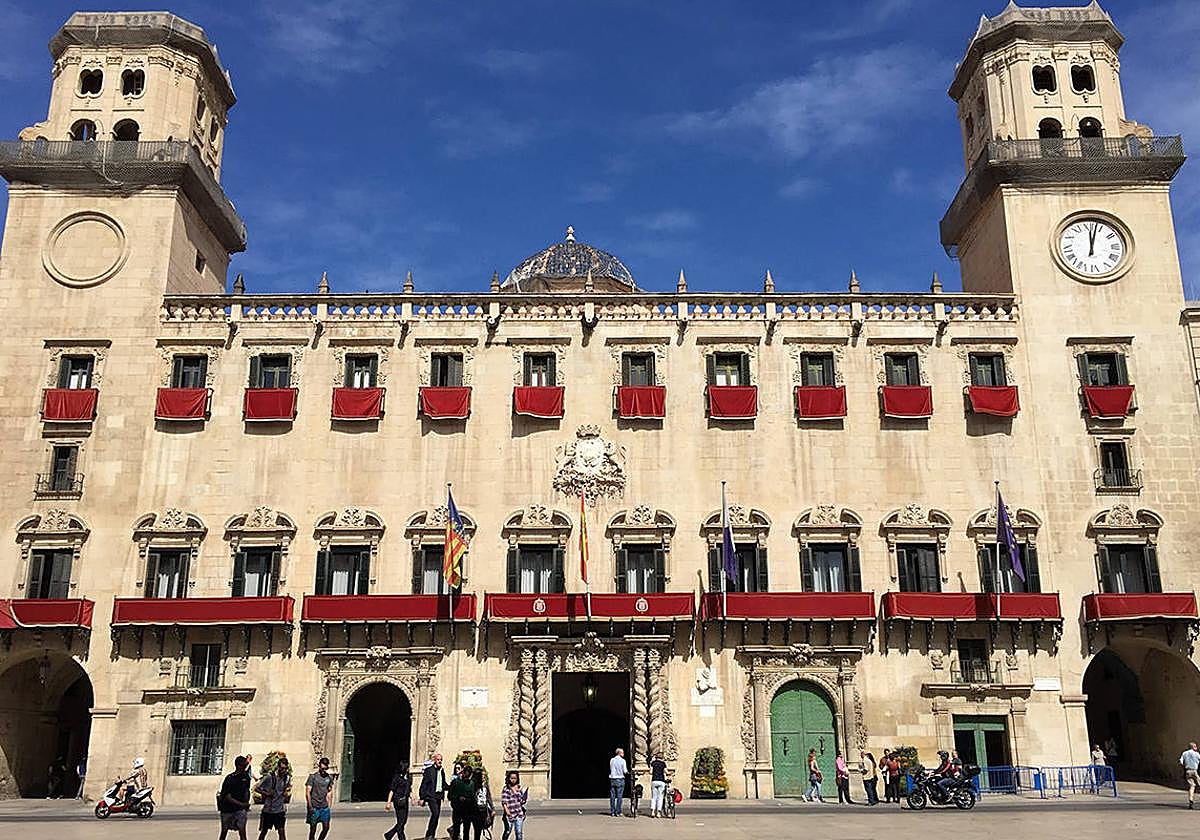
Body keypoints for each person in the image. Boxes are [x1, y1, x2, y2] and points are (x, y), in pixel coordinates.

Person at [219, 755, 253, 840]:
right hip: (228, 809)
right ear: (238, 765)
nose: (245, 767)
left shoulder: (245, 777)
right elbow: (227, 797)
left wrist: (246, 803)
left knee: (242, 831)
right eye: (243, 765)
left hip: (240, 810)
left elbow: (247, 790)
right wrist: (241, 804)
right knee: (224, 831)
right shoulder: (230, 778)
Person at [256, 756, 290, 840]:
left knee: (281, 832)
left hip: (279, 810)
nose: (283, 771)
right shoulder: (270, 777)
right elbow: (257, 788)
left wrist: (285, 793)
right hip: (269, 810)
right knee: (264, 831)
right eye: (282, 768)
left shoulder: (287, 778)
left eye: (285, 769)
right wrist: (267, 793)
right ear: (278, 767)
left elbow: (284, 790)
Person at [417, 753, 448, 840]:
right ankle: (429, 834)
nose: (440, 761)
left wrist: (452, 787)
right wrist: (422, 797)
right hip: (431, 796)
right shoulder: (429, 770)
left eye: (441, 760)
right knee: (435, 813)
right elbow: (424, 784)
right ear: (434, 760)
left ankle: (432, 835)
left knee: (436, 816)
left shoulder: (442, 771)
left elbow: (443, 784)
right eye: (438, 760)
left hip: (439, 796)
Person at [305, 757, 335, 840]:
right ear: (319, 766)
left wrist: (329, 806)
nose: (323, 770)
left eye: (325, 769)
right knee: (313, 828)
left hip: (324, 807)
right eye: (322, 768)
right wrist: (309, 805)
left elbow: (329, 791)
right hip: (314, 806)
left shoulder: (329, 778)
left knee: (326, 827)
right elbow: (308, 791)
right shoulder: (313, 777)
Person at [447, 763, 480, 840]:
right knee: (456, 830)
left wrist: (467, 799)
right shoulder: (455, 782)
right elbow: (450, 796)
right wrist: (458, 798)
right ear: (463, 772)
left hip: (467, 810)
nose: (466, 776)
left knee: (466, 830)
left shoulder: (471, 784)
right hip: (457, 809)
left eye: (468, 775)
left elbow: (472, 797)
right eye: (465, 773)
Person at [384, 760, 411, 840]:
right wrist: (388, 802)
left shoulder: (408, 777)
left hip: (405, 801)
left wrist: (412, 797)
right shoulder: (397, 777)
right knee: (401, 822)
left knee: (403, 821)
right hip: (398, 800)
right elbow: (392, 790)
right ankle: (401, 838)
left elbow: (409, 789)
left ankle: (389, 834)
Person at [501, 771, 527, 840]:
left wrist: (523, 799)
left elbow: (521, 801)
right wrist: (507, 811)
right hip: (509, 814)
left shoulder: (519, 788)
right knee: (507, 831)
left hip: (519, 813)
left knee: (519, 832)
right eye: (512, 778)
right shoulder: (506, 788)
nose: (513, 780)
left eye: (515, 778)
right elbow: (504, 801)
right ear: (509, 778)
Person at [608, 748, 628, 817]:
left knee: (612, 796)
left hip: (613, 778)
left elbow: (611, 768)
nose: (623, 754)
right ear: (620, 753)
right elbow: (625, 771)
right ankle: (618, 812)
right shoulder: (623, 761)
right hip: (620, 778)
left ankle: (612, 812)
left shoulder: (612, 760)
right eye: (623, 753)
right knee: (619, 796)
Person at [1180, 742, 1200, 809]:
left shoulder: (1184, 753)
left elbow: (1181, 761)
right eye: (1195, 747)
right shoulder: (1197, 754)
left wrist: (1186, 765)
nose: (1196, 748)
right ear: (1193, 747)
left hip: (1188, 771)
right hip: (1194, 770)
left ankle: (1191, 800)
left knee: (1192, 786)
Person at [648, 753, 669, 817]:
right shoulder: (663, 764)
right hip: (661, 781)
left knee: (654, 797)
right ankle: (659, 813)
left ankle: (652, 812)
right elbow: (666, 772)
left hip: (654, 781)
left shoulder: (653, 763)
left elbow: (650, 772)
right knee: (660, 797)